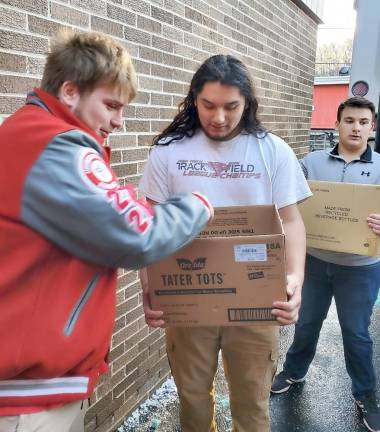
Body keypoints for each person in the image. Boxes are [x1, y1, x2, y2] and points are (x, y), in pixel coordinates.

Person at [0, 30, 214, 432]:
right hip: (28, 398)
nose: (118, 121)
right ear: (69, 91)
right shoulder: (60, 146)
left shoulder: (27, 133)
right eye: (112, 105)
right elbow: (138, 235)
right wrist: (199, 204)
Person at [139, 54, 311, 432]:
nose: (219, 117)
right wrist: (149, 285)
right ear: (193, 100)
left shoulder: (272, 151)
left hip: (256, 300)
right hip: (188, 298)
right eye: (208, 105)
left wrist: (295, 279)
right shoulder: (169, 151)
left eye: (231, 106)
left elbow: (292, 221)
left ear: (247, 101)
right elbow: (149, 223)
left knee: (251, 403)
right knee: (193, 398)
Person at [271, 97, 380, 432]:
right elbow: (288, 202)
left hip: (361, 267)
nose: (356, 127)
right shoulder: (311, 163)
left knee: (356, 334)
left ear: (372, 127)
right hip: (315, 261)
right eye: (349, 121)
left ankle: (365, 395)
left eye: (363, 122)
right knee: (305, 324)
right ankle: (293, 371)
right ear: (337, 124)